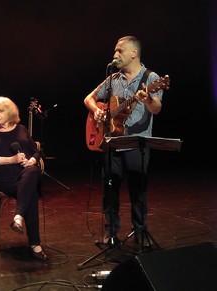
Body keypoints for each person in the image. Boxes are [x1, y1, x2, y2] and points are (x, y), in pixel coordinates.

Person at [83, 36, 163, 247]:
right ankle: (111, 234)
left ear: (134, 53)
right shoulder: (113, 79)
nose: (115, 55)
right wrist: (97, 112)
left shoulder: (151, 78)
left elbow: (156, 109)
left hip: (138, 144)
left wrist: (148, 100)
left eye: (120, 51)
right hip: (112, 143)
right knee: (110, 189)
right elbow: (88, 98)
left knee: (138, 190)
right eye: (115, 51)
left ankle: (139, 232)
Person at [0, 96, 47, 261]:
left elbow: (37, 151)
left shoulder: (22, 129)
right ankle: (35, 244)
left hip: (24, 174)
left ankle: (18, 217)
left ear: (10, 112)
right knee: (30, 193)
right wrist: (11, 160)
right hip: (2, 178)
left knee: (32, 172)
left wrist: (32, 159)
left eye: (0, 111)